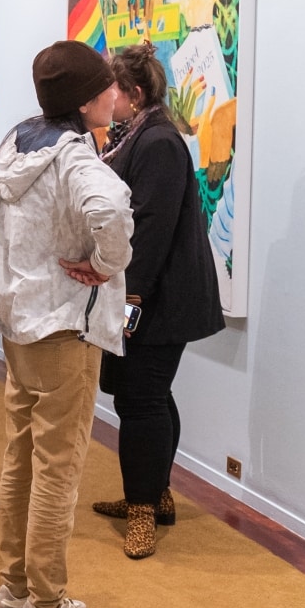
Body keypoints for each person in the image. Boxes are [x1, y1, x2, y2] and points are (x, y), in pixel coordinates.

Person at [0, 40, 133, 608]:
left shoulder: (17, 143)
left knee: (21, 458)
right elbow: (112, 208)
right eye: (106, 87)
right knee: (59, 468)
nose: (115, 94)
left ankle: (14, 589)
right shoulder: (74, 157)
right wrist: (105, 263)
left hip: (20, 323)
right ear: (86, 98)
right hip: (66, 329)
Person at [89, 43, 225, 559]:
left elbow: (150, 229)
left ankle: (143, 509)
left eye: (112, 92)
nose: (107, 101)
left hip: (160, 298)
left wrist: (129, 302)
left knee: (141, 400)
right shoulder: (140, 134)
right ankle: (156, 493)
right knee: (147, 396)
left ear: (135, 93)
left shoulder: (160, 142)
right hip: (151, 294)